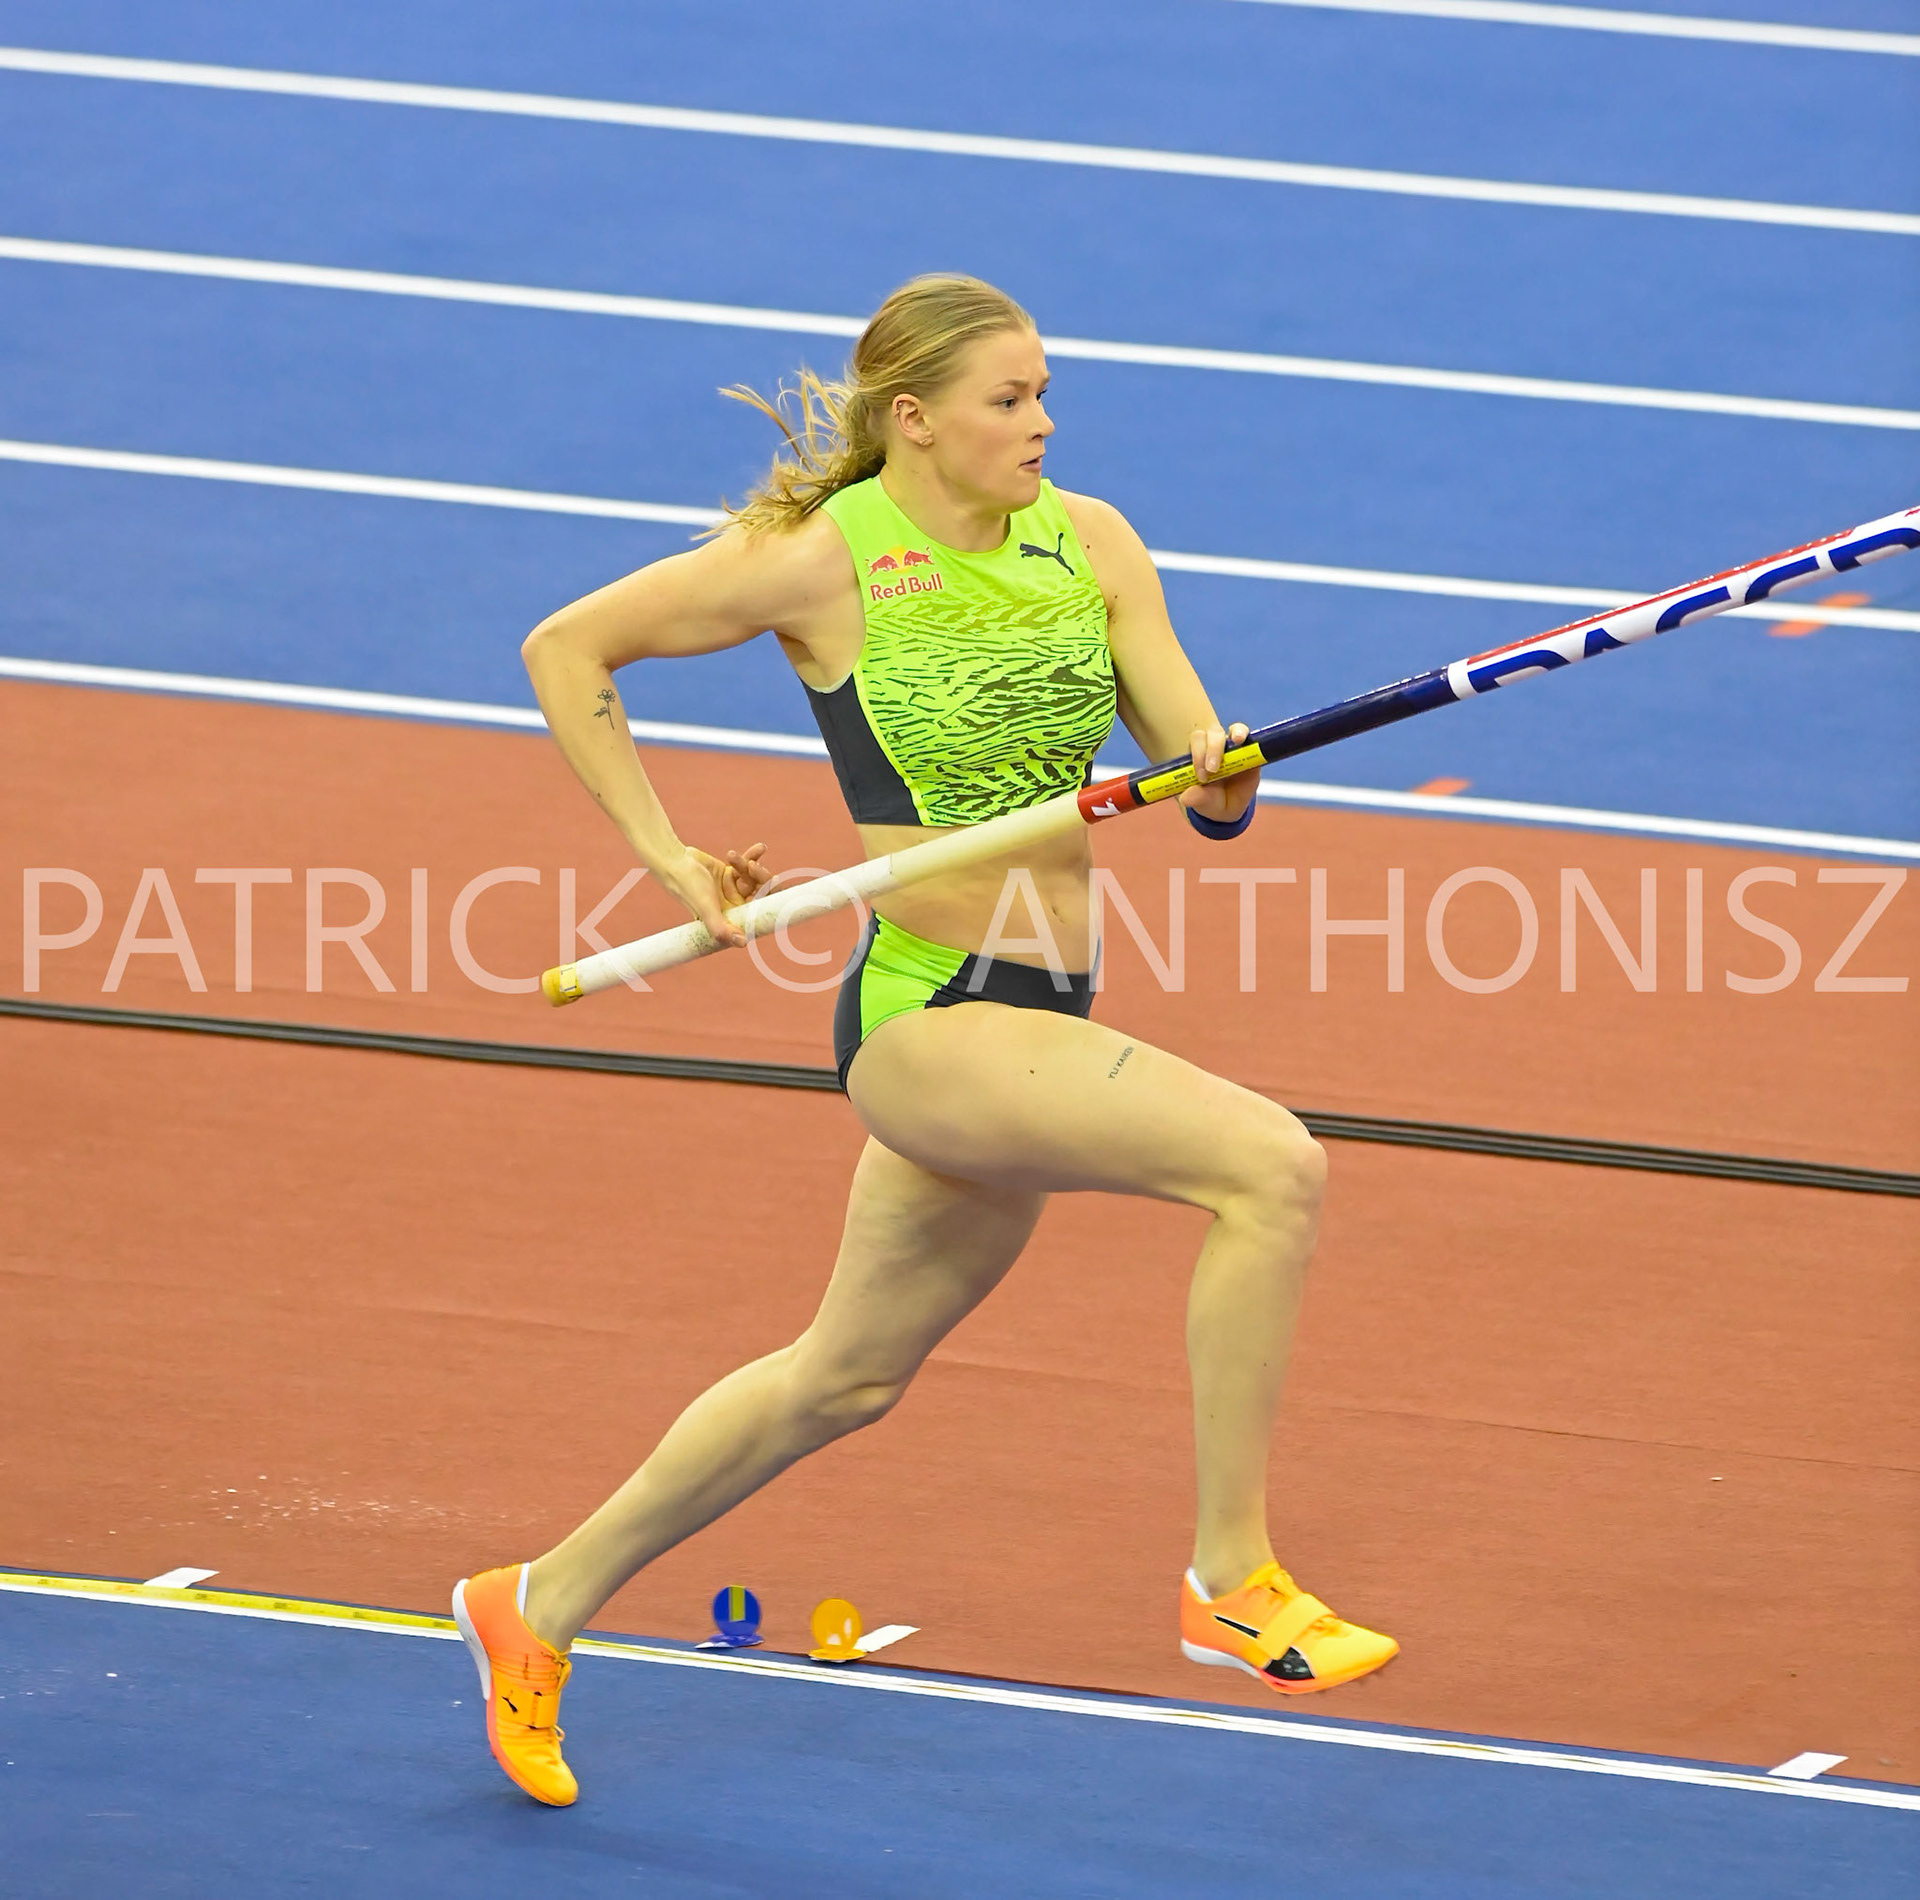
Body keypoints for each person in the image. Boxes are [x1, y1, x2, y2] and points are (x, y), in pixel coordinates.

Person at [453, 274, 1396, 1807]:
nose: (1042, 422)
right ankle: (1231, 1578)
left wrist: (1221, 776)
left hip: (1045, 1007)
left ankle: (533, 1602)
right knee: (1270, 1173)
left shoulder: (1092, 540)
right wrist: (671, 858)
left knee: (843, 1378)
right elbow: (569, 647)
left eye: (1043, 394)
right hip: (932, 1018)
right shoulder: (822, 564)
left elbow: (1199, 778)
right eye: (1010, 399)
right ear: (916, 420)